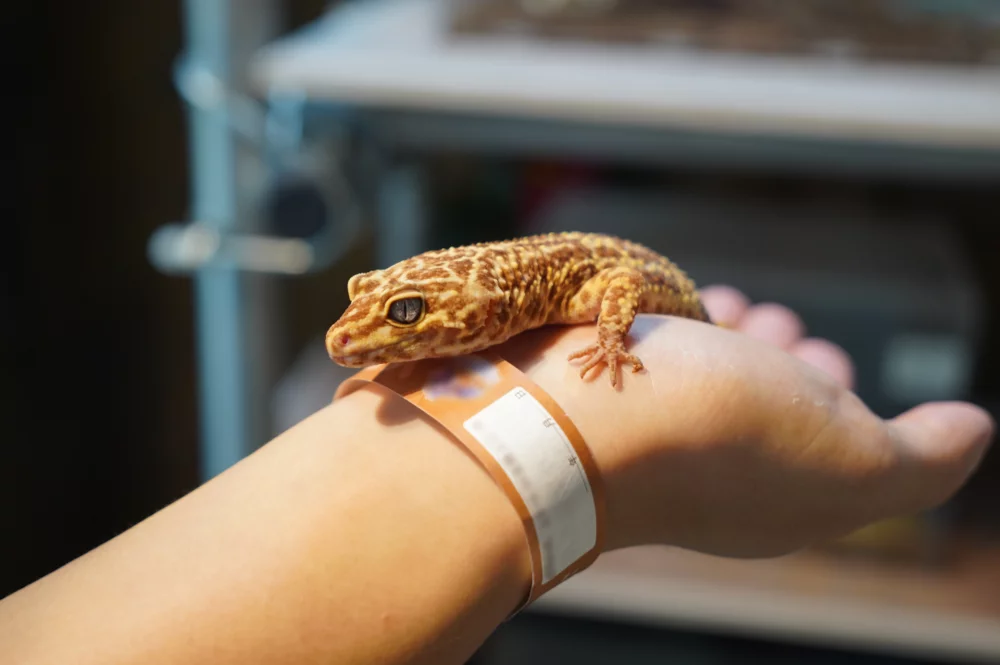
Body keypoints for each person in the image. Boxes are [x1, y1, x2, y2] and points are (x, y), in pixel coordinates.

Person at [1, 287, 993, 665]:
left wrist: (599, 398)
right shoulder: (484, 300)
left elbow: (614, 295)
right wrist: (590, 438)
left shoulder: (546, 284)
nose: (353, 340)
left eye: (400, 318)